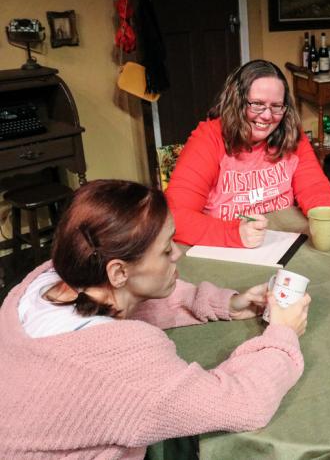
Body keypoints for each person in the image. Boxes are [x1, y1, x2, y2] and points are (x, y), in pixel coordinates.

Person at [0, 180, 311, 459]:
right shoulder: (120, 364)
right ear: (119, 272)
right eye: (165, 250)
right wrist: (283, 333)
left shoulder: (46, 284)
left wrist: (228, 304)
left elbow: (129, 301)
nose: (177, 254)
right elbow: (243, 402)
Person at [166, 60, 330, 248]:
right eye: (257, 104)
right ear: (237, 101)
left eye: (276, 106)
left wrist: (328, 213)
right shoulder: (208, 139)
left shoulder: (292, 134)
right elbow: (174, 217)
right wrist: (234, 234)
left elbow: (314, 186)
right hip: (223, 250)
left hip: (282, 244)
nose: (267, 116)